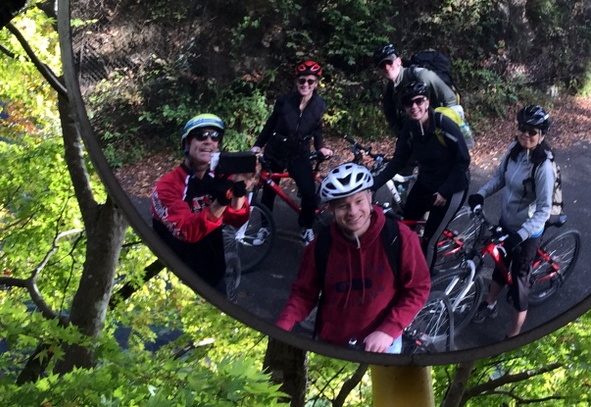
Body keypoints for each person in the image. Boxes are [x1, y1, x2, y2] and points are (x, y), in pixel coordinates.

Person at [275, 162, 430, 353]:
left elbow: (417, 288)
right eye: (343, 206)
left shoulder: (399, 238)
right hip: (332, 343)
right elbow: (303, 294)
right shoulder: (321, 246)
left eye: (359, 201)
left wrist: (389, 330)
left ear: (370, 198)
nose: (353, 212)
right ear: (331, 210)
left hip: (382, 343)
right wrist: (283, 325)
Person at [469, 105, 556, 338]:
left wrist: (522, 234)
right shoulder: (513, 150)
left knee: (519, 283)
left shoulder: (544, 167)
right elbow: (499, 178)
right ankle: (490, 303)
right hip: (507, 222)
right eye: (522, 128)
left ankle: (514, 334)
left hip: (527, 232)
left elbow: (544, 210)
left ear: (542, 135)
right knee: (500, 265)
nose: (526, 134)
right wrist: (481, 194)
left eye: (532, 131)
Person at [371, 81, 470, 270]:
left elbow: (463, 160)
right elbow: (398, 161)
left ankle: (424, 282)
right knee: (405, 227)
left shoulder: (443, 125)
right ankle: (404, 265)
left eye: (418, 101)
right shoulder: (410, 128)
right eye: (409, 103)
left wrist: (445, 191)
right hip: (426, 182)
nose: (414, 106)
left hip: (452, 187)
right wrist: (372, 185)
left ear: (427, 102)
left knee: (429, 241)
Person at [151, 113, 254, 295]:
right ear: (187, 143)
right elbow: (187, 231)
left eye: (215, 136)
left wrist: (239, 190)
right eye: (201, 135)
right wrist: (221, 201)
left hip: (214, 274)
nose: (209, 141)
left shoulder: (219, 178)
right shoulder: (167, 186)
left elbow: (237, 219)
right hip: (176, 280)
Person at [251, 60, 333, 244]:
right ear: (297, 82)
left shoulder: (319, 105)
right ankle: (264, 227)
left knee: (308, 192)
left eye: (310, 81)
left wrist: (320, 146)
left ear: (316, 83)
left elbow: (317, 129)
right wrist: (258, 145)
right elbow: (271, 124)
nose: (305, 85)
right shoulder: (284, 101)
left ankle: (307, 227)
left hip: (299, 153)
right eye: (302, 80)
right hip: (276, 151)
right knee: (269, 192)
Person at [373, 43, 461, 135]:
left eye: (389, 62)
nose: (387, 67)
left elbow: (451, 98)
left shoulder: (421, 75)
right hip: (417, 132)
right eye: (382, 65)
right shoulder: (390, 89)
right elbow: (390, 115)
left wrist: (445, 126)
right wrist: (401, 134)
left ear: (398, 61)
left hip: (439, 127)